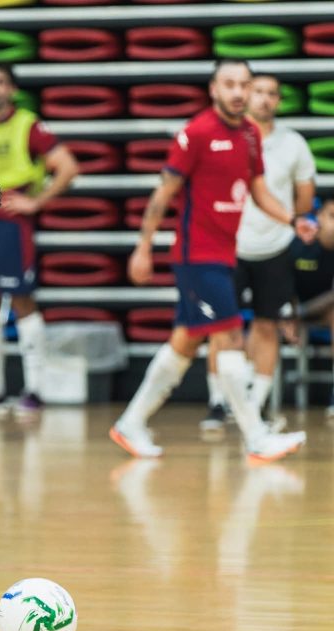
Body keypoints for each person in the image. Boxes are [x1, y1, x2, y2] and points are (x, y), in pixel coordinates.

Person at [110, 59, 314, 462]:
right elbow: (163, 193)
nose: (239, 92)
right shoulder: (196, 133)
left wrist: (291, 220)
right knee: (231, 336)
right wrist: (143, 246)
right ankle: (256, 436)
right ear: (213, 89)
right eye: (230, 84)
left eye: (245, 84)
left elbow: (258, 190)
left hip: (225, 253)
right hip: (195, 256)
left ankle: (131, 423)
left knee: (185, 341)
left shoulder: (251, 136)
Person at [0, 62, 79, 415]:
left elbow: (68, 166)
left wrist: (36, 201)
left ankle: (34, 391)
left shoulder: (29, 125)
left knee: (22, 301)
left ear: (11, 89)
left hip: (13, 226)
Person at [200, 73, 316, 431]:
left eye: (272, 94)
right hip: (227, 247)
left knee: (267, 326)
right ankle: (219, 404)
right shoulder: (222, 138)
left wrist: (288, 221)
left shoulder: (293, 144)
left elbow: (303, 199)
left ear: (279, 101)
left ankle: (256, 406)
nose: (264, 99)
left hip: (275, 249)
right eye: (259, 92)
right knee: (222, 327)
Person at [288, 196, 334, 415]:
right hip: (291, 309)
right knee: (263, 319)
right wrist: (288, 314)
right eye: (332, 216)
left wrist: (301, 312)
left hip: (319, 312)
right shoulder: (300, 245)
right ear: (319, 218)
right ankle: (254, 398)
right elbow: (283, 283)